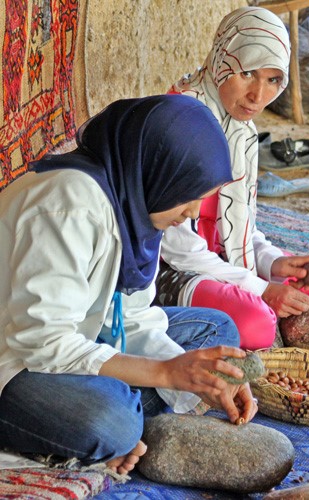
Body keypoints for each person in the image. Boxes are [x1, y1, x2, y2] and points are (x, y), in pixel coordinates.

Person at [0, 94, 258, 476]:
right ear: (157, 169)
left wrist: (198, 378)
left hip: (75, 339)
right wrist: (168, 375)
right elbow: (41, 341)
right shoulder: (69, 205)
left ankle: (94, 428)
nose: (191, 213)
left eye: (200, 199)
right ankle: (93, 430)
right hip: (15, 362)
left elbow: (132, 315)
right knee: (113, 423)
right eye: (187, 195)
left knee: (216, 333)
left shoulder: (133, 203)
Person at [157, 7, 309, 351]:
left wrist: (272, 261)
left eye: (273, 79)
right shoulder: (178, 123)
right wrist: (261, 288)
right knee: (256, 323)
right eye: (247, 73)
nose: (258, 96)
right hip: (169, 272)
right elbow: (179, 250)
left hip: (227, 262)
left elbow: (239, 223)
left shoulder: (241, 130)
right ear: (222, 58)